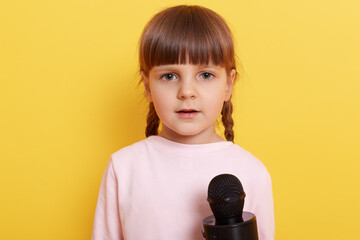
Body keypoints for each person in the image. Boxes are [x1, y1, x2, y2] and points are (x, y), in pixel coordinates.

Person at [92, 5, 274, 240]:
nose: (187, 92)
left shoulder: (252, 172)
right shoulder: (124, 167)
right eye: (169, 76)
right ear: (148, 86)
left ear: (228, 84)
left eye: (205, 75)